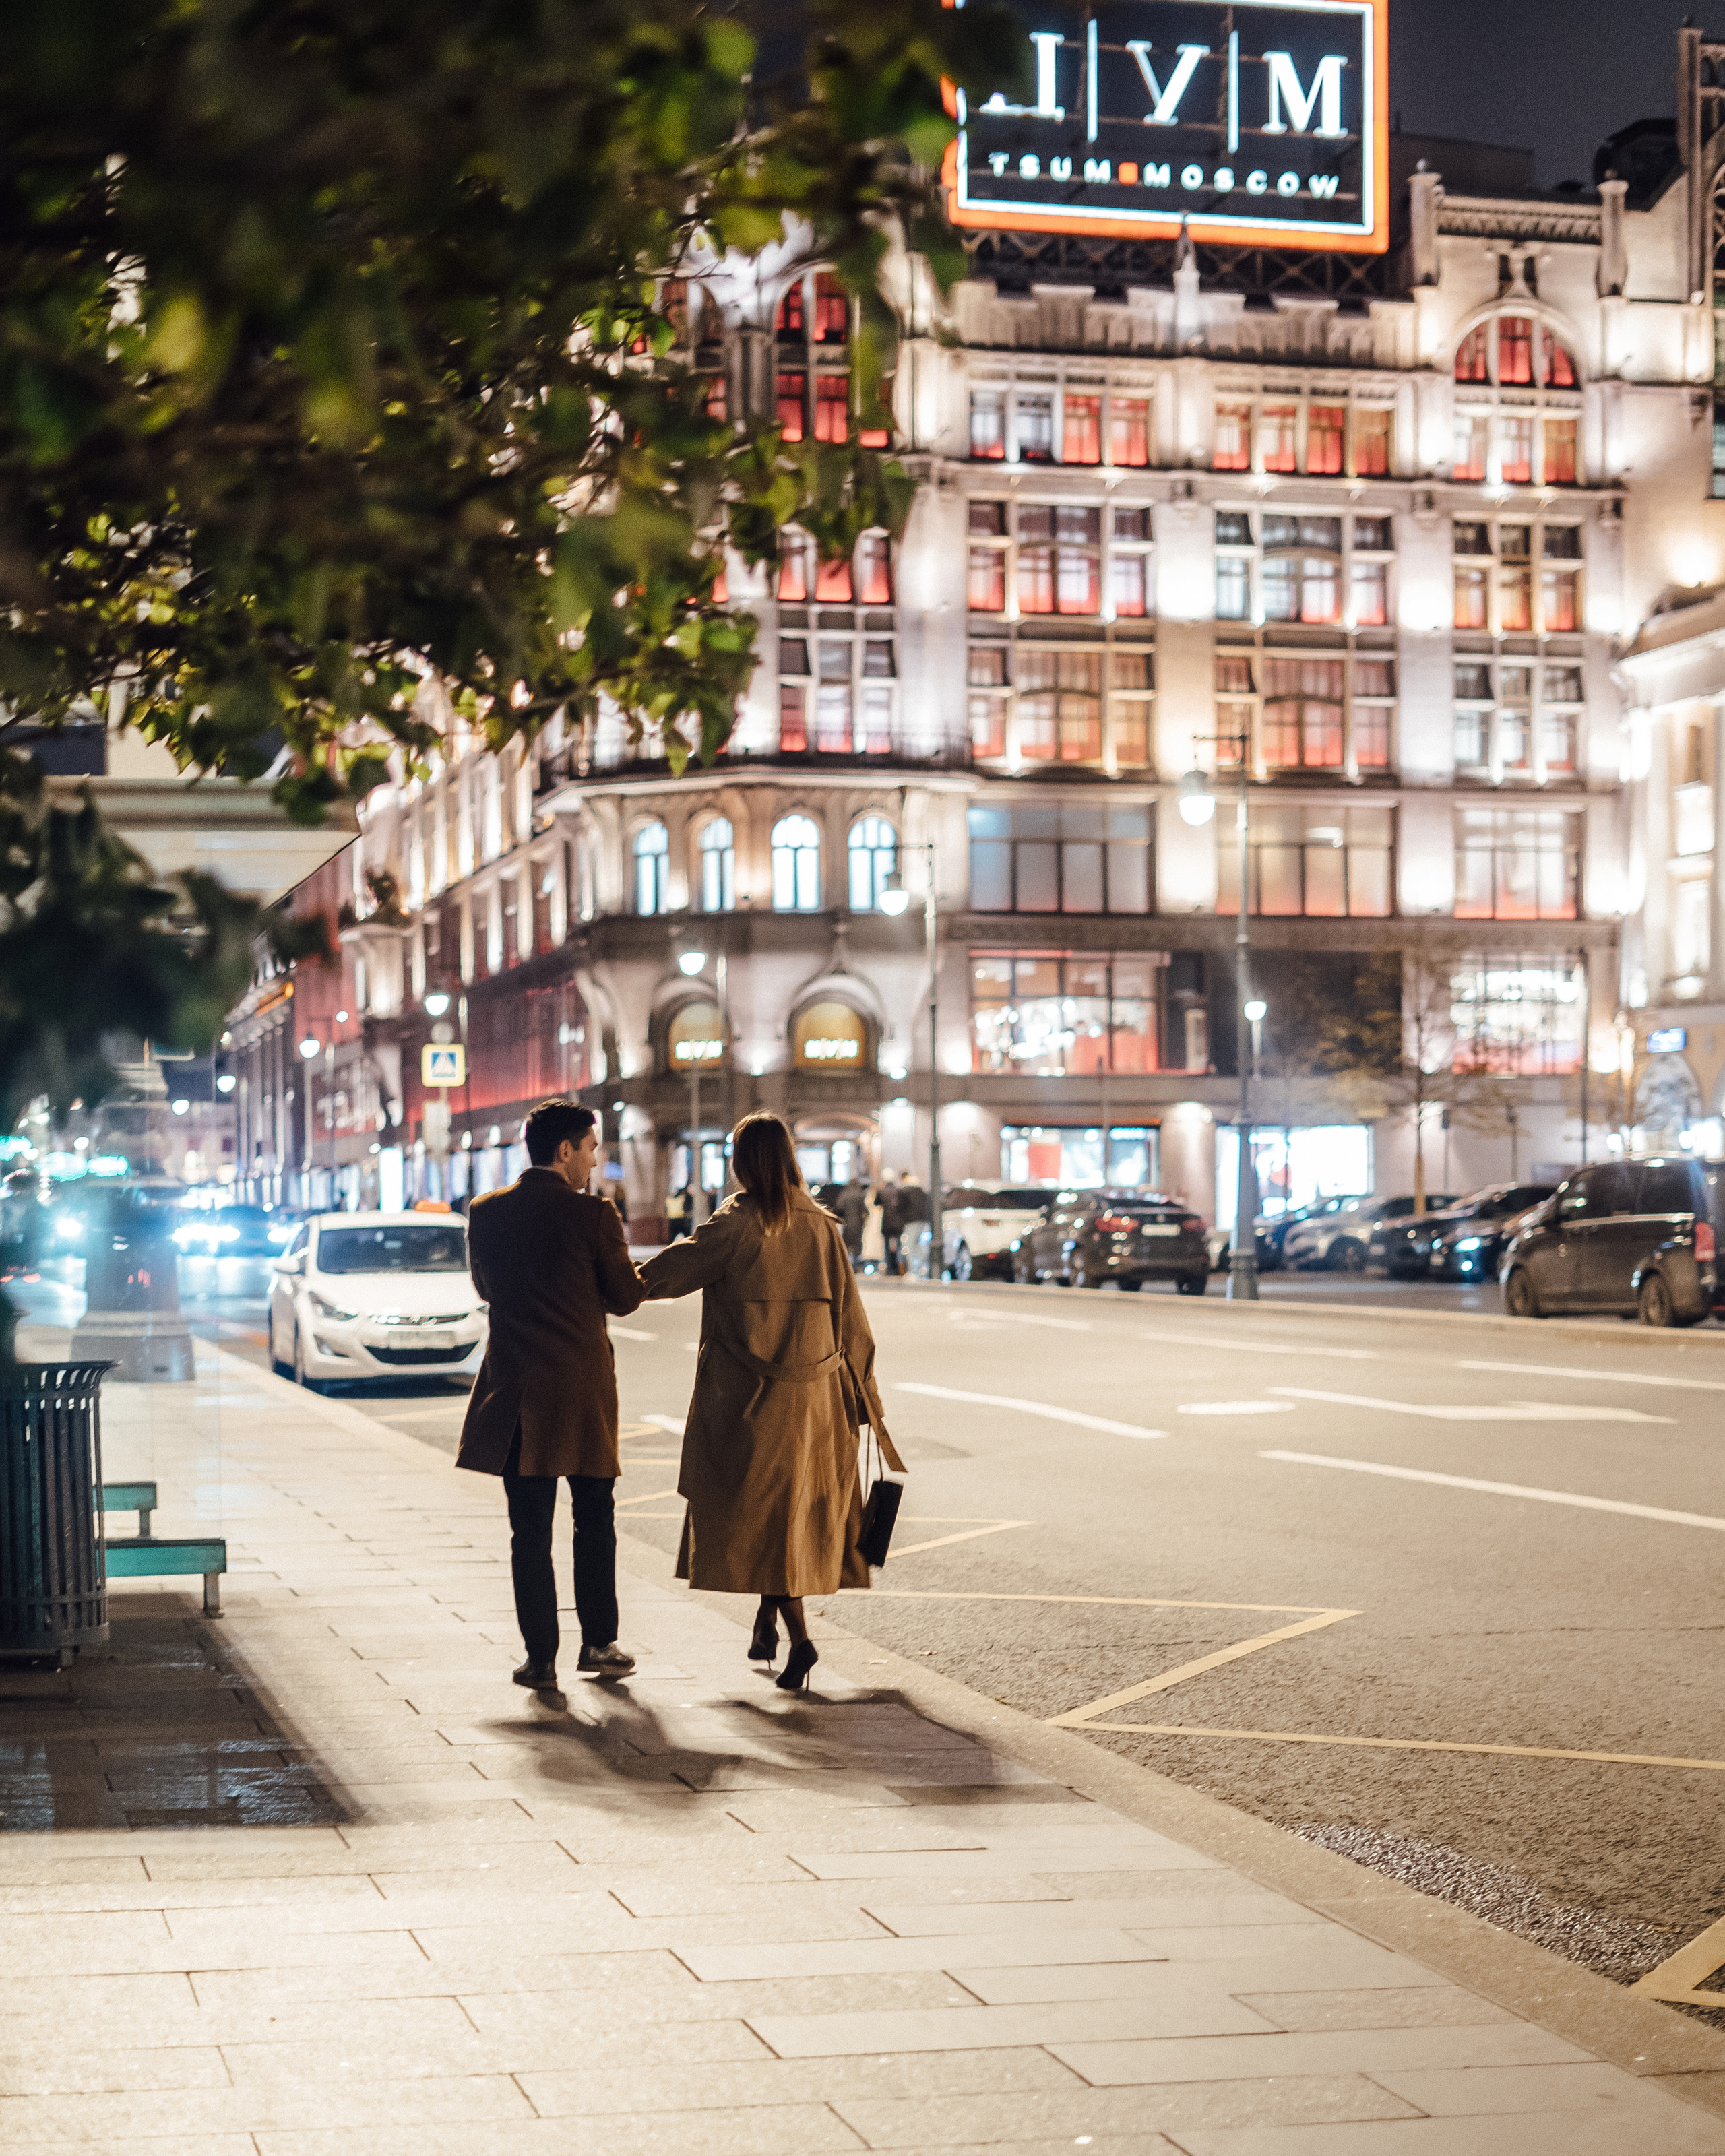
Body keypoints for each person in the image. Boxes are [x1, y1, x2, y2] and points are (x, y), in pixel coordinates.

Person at [639, 1112, 901, 1694]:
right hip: (820, 1406)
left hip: (753, 1403)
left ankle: (803, 1641)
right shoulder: (823, 1226)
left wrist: (618, 1282)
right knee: (790, 1519)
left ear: (741, 1161)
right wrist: (868, 1411)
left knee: (756, 1516)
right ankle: (764, 1624)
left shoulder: (737, 1224)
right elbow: (854, 1324)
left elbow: (672, 1271)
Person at [456, 1098, 644, 1689]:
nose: (594, 1163)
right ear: (565, 1150)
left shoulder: (486, 1212)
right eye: (590, 1150)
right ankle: (599, 1643)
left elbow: (485, 1287)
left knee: (529, 1532)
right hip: (581, 1393)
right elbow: (624, 1297)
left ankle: (540, 1659)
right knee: (595, 1520)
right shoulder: (593, 1216)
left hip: (515, 1394)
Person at [832, 1176, 868, 1267]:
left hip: (847, 1223)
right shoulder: (860, 1194)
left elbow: (839, 1207)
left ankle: (848, 1264)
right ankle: (856, 1264)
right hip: (859, 1223)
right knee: (858, 1243)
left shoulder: (845, 1194)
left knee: (847, 1244)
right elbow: (865, 1210)